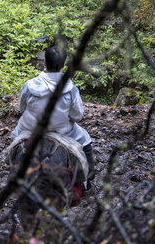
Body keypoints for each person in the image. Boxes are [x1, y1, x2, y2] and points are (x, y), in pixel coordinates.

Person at [11, 45, 96, 183]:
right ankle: (88, 176)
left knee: (15, 138)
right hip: (62, 132)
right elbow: (77, 116)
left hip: (30, 130)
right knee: (85, 138)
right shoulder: (70, 88)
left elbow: (22, 108)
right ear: (63, 65)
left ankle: (13, 167)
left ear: (44, 62)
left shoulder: (29, 85)